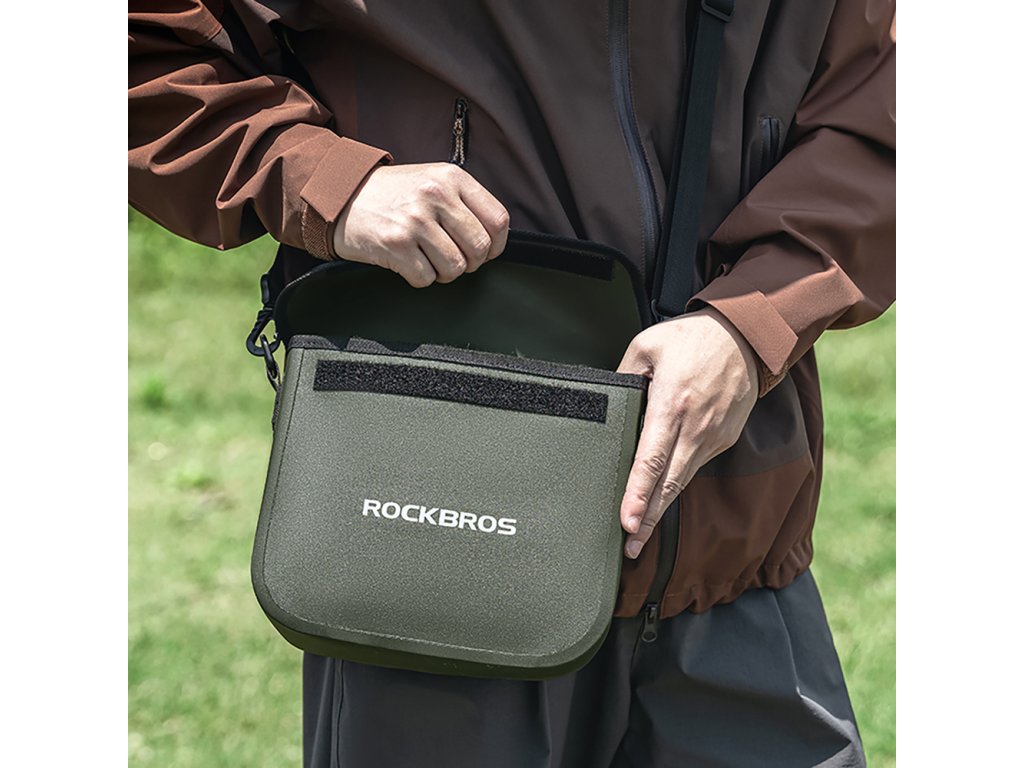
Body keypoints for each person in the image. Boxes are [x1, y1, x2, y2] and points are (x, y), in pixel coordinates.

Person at [129, 0, 895, 765]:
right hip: (436, 560)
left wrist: (753, 323)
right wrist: (328, 182)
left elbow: (883, 108)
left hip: (733, 561)